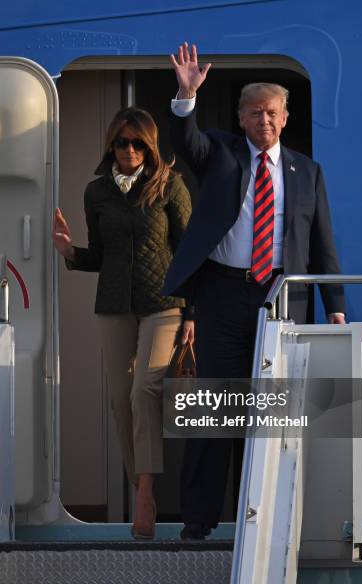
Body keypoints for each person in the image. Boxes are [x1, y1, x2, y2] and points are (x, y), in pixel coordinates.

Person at [164, 43, 346, 540]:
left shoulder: (307, 172)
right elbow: (186, 140)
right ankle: (198, 521)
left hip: (282, 299)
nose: (263, 119)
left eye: (271, 112)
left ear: (285, 119)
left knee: (273, 413)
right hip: (223, 296)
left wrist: (336, 309)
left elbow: (322, 243)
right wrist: (186, 96)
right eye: (253, 112)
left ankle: (266, 517)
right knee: (217, 406)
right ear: (241, 118)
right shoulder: (218, 152)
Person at [52, 107, 193, 539]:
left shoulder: (171, 186)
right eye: (121, 142)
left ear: (149, 147)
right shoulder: (96, 193)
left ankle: (145, 494)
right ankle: (142, 481)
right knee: (119, 400)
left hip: (164, 304)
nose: (128, 150)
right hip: (114, 304)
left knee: (143, 389)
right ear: (111, 146)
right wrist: (70, 251)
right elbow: (100, 255)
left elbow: (189, 252)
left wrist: (193, 314)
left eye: (136, 143)